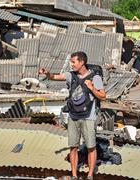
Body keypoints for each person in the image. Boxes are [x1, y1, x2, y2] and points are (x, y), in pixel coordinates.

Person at [39, 51, 106, 180]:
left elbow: (103, 96)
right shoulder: (71, 76)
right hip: (73, 116)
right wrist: (47, 73)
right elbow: (54, 77)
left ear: (82, 62)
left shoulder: (95, 78)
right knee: (73, 146)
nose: (72, 64)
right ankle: (74, 175)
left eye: (74, 62)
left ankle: (90, 175)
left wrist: (92, 88)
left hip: (88, 116)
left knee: (91, 146)